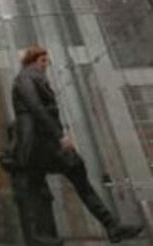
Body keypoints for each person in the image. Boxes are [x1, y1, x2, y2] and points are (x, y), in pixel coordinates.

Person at [12, 45, 144, 245]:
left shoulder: (28, 78)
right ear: (32, 61)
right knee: (68, 179)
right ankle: (110, 226)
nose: (46, 65)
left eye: (46, 61)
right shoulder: (27, 78)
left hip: (39, 143)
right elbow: (36, 108)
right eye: (42, 61)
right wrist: (60, 136)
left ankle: (42, 236)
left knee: (40, 188)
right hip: (41, 142)